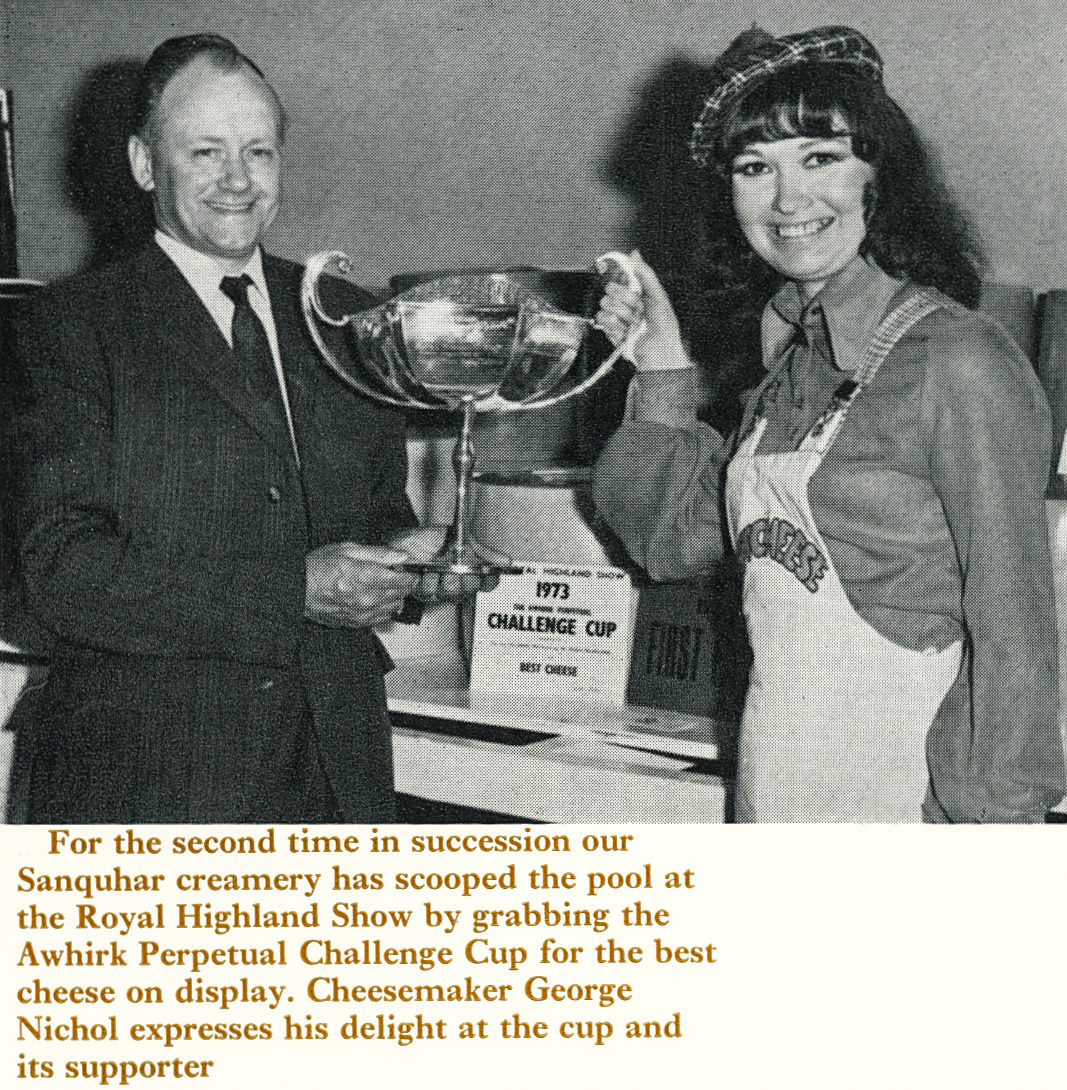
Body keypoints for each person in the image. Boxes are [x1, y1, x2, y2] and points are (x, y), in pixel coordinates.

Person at [7, 34, 486, 824]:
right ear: (141, 164)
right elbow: (63, 573)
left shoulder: (342, 316)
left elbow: (371, 512)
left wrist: (411, 560)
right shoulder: (67, 329)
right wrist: (294, 590)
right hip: (151, 783)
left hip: (337, 767)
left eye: (258, 151)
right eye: (204, 151)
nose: (237, 180)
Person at [592, 25, 1066, 823]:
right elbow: (670, 542)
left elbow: (1012, 621)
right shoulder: (787, 364)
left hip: (910, 785)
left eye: (819, 157)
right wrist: (660, 364)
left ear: (880, 173)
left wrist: (993, 831)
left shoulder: (956, 358)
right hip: (777, 760)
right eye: (754, 168)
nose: (786, 199)